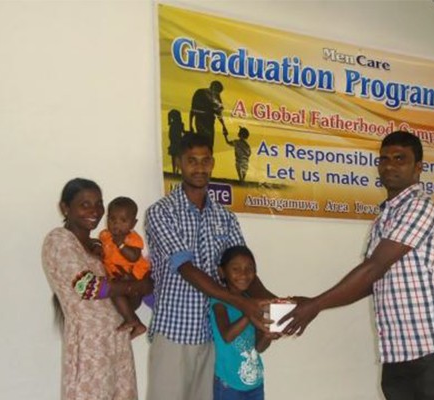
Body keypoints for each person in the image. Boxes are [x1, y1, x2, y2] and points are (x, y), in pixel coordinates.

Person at [281, 131, 434, 400]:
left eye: (400, 159)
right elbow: (371, 282)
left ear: (418, 168)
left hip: (428, 350)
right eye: (384, 159)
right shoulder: (384, 218)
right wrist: (315, 302)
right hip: (396, 351)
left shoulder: (421, 208)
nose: (389, 165)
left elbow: (373, 268)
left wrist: (316, 304)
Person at [144, 133, 274, 400]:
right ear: (178, 163)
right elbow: (185, 268)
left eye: (205, 161)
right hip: (176, 330)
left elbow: (245, 272)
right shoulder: (161, 212)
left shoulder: (225, 217)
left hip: (217, 337)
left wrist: (273, 304)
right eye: (192, 161)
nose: (199, 167)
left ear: (213, 163)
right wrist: (245, 305)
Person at [42, 178, 149, 400]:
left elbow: (127, 299)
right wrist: (137, 285)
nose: (95, 211)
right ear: (65, 208)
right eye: (85, 204)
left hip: (118, 343)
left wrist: (135, 289)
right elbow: (88, 287)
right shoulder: (59, 240)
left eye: (99, 204)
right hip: (89, 348)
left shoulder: (102, 248)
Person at [211, 245, 279, 400]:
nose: (243, 274)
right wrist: (250, 313)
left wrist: (268, 335)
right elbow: (227, 336)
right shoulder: (219, 302)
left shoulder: (252, 303)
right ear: (222, 272)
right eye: (236, 269)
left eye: (249, 269)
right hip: (228, 384)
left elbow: (259, 347)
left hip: (255, 382)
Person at [99, 196, 153, 339]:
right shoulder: (105, 235)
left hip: (135, 275)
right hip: (118, 278)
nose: (116, 224)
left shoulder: (132, 238)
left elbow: (134, 256)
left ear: (133, 223)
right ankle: (135, 322)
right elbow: (102, 250)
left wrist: (121, 244)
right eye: (112, 219)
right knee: (114, 293)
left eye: (123, 221)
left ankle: (132, 320)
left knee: (119, 293)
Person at [189, 80, 228, 150]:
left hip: (210, 124)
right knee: (202, 144)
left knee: (210, 146)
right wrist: (190, 125)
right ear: (213, 87)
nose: (217, 93)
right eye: (217, 91)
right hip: (200, 122)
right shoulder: (200, 93)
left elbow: (219, 113)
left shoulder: (216, 97)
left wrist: (224, 126)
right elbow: (193, 109)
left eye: (218, 92)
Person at [167, 109, 186, 175]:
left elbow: (171, 134)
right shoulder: (178, 124)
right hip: (176, 142)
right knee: (176, 156)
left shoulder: (174, 125)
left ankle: (175, 170)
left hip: (176, 142)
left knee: (175, 156)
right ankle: (175, 170)